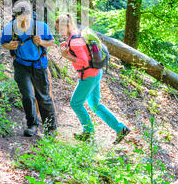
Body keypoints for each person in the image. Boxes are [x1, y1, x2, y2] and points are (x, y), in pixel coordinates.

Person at [55, 13, 130, 144]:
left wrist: (66, 56)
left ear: (67, 26)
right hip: (96, 72)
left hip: (89, 76)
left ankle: (88, 132)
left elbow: (83, 61)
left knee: (76, 103)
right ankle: (120, 129)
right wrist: (67, 47)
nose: (59, 31)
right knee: (95, 104)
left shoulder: (75, 41)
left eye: (60, 29)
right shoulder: (76, 35)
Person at [0, 1, 57, 137]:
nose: (24, 22)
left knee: (43, 96)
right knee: (27, 96)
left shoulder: (41, 27)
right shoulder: (9, 28)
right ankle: (32, 125)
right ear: (16, 16)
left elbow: (51, 41)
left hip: (39, 64)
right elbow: (3, 43)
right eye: (21, 19)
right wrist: (10, 46)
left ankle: (50, 128)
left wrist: (42, 42)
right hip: (21, 65)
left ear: (31, 14)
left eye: (26, 18)